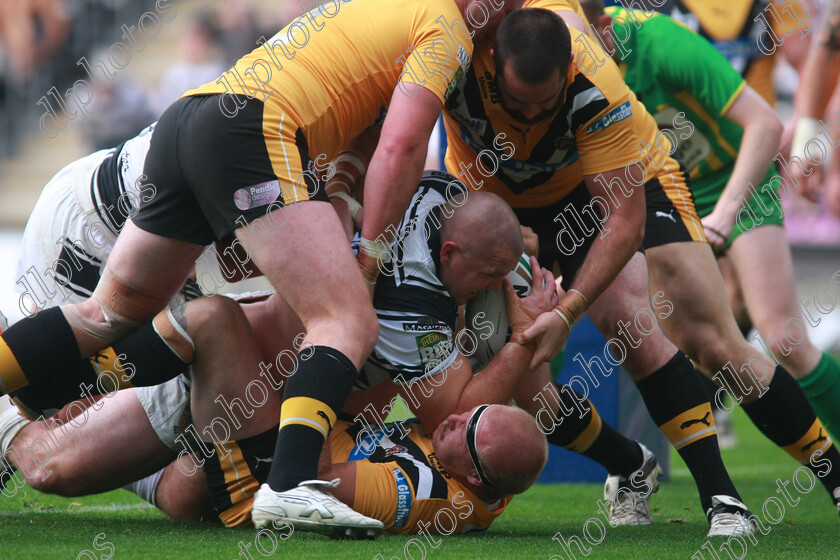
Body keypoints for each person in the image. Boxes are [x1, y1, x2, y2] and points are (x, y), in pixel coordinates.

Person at [0, 0, 524, 537]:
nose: (515, 14)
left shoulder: (394, 14)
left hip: (194, 116)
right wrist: (369, 257)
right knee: (347, 321)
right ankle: (291, 486)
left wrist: (342, 197)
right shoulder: (448, 30)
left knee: (106, 314)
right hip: (243, 138)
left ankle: (33, 389)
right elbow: (402, 144)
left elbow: (369, 132)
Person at [439, 3, 840, 534]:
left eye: (546, 102)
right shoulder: (452, 44)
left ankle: (740, 494)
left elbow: (624, 220)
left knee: (685, 335)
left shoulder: (616, 63)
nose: (532, 118)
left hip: (622, 183)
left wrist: (569, 311)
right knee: (518, 373)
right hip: (507, 205)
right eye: (519, 103)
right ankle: (629, 465)